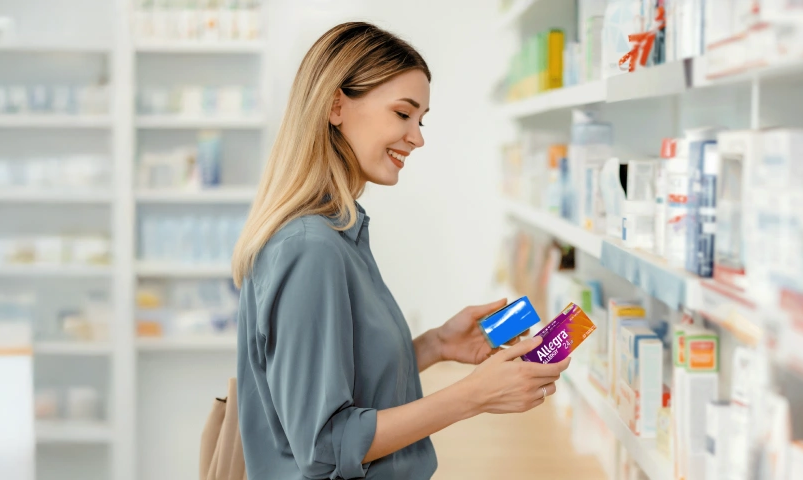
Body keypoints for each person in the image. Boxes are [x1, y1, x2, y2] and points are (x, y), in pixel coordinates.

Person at [229, 22, 570, 480]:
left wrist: (435, 346)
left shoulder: (340, 234)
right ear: (335, 106)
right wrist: (474, 395)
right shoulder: (310, 249)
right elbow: (325, 447)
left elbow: (342, 378)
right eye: (403, 114)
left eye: (420, 119)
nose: (417, 136)